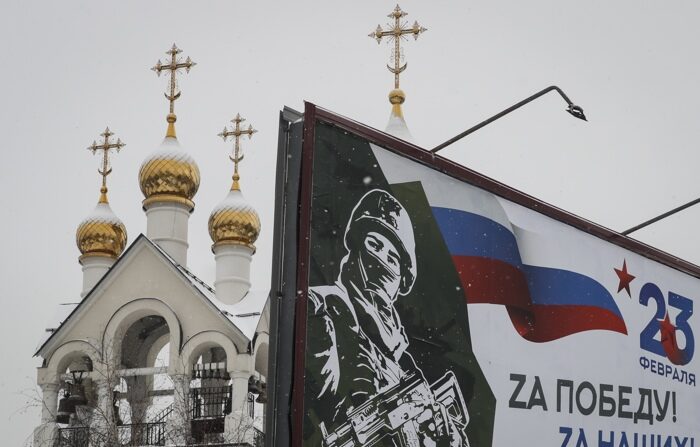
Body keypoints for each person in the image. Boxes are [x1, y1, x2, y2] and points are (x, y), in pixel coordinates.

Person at [306, 189, 469, 447]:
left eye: (393, 258)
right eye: (375, 245)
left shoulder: (402, 357)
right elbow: (325, 395)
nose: (382, 259)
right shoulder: (325, 310)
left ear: (402, 278)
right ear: (357, 245)